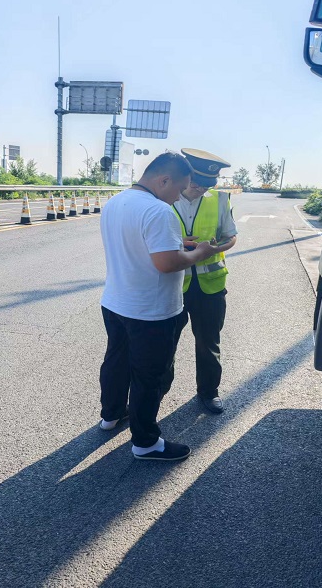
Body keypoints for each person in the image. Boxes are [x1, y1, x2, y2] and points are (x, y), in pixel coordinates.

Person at [99, 152, 218, 461]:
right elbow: (167, 264)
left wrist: (179, 246)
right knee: (149, 377)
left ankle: (111, 414)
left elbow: (138, 245)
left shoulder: (115, 202)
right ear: (164, 180)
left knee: (116, 362)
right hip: (150, 312)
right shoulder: (158, 210)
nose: (178, 197)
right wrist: (200, 253)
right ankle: (146, 442)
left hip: (115, 302)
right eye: (178, 189)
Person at [166, 148, 238, 414]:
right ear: (185, 176)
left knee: (209, 343)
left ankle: (209, 392)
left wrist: (216, 247)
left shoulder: (219, 200)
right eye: (195, 184)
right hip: (172, 287)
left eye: (206, 186)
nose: (199, 190)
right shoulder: (164, 199)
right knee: (165, 344)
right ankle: (157, 393)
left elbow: (231, 235)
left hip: (211, 287)